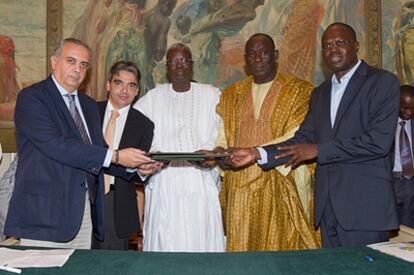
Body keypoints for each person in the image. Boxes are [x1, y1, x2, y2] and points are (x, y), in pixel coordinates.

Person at [229, 23, 400, 247]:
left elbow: (378, 142)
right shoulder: (320, 93)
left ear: (356, 46)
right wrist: (256, 153)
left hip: (364, 208)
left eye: (340, 43)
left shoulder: (382, 82)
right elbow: (302, 139)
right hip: (327, 209)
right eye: (327, 46)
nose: (333, 50)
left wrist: (319, 150)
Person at [4, 38, 155, 249]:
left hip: (84, 215)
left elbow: (98, 153)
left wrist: (137, 169)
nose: (77, 69)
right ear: (54, 62)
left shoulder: (88, 105)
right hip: (44, 214)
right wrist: (118, 156)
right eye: (71, 61)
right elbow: (57, 145)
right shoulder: (33, 98)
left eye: (83, 65)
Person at [211, 33, 320, 251]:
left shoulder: (300, 90)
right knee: (242, 251)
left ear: (275, 55)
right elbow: (223, 131)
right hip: (239, 182)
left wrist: (257, 152)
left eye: (263, 53)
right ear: (245, 60)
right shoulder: (232, 93)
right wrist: (220, 153)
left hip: (280, 179)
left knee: (279, 250)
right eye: (251, 54)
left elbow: (298, 133)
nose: (258, 58)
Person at [133, 43, 225, 252]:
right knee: (166, 246)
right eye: (174, 61)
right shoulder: (153, 98)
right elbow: (133, 131)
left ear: (192, 65)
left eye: (184, 60)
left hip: (201, 184)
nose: (179, 65)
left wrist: (215, 152)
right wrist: (151, 156)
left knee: (201, 245)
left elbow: (226, 132)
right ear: (167, 67)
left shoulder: (211, 95)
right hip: (165, 184)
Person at [93, 61, 161, 250]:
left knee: (112, 267)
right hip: (83, 199)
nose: (124, 90)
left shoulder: (144, 125)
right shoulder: (89, 111)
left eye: (131, 85)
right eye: (118, 83)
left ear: (137, 90)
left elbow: (135, 173)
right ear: (108, 85)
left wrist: (143, 171)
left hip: (116, 204)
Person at [393, 85, 414, 228]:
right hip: (390, 182)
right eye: (405, 107)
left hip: (411, 183)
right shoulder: (384, 123)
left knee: (408, 230)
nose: (409, 112)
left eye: (412, 108)